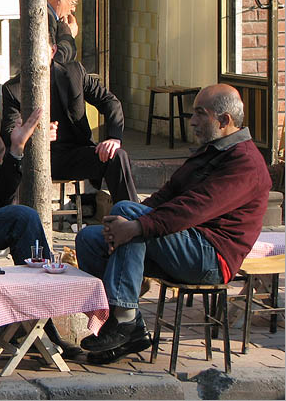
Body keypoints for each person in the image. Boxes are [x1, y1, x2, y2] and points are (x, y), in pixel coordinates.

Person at [75, 84, 271, 364]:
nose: (192, 121)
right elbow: (167, 195)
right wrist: (129, 223)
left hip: (211, 257)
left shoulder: (245, 163)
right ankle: (131, 325)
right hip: (184, 243)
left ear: (225, 120)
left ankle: (123, 319)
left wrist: (136, 225)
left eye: (200, 114)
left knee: (127, 215)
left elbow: (192, 209)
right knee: (91, 238)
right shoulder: (211, 151)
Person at [2, 32, 138, 204]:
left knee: (116, 155)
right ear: (22, 53)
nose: (33, 56)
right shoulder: (13, 89)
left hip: (76, 154)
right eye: (28, 51)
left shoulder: (74, 72)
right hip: (37, 161)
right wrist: (36, 135)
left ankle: (133, 219)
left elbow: (109, 101)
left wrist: (113, 138)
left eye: (39, 51)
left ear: (52, 51)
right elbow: (8, 133)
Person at [46, 0, 79, 66]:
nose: (73, 9)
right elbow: (57, 60)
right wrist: (68, 36)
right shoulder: (48, 19)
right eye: (73, 3)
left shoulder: (51, 17)